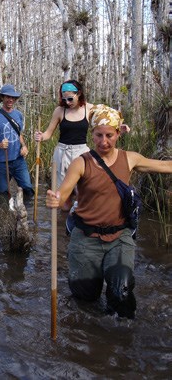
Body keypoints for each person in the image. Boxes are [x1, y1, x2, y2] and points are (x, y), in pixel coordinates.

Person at [45, 104, 172, 319]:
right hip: (86, 236)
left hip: (119, 236)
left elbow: (165, 166)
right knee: (85, 298)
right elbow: (63, 193)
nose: (104, 142)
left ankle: (122, 336)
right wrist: (55, 200)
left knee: (120, 291)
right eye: (99, 135)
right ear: (92, 135)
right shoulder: (81, 162)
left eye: (109, 135)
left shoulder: (130, 158)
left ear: (118, 133)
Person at [35, 80, 129, 211]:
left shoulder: (89, 108)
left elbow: (108, 116)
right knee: (63, 197)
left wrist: (118, 126)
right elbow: (48, 133)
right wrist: (41, 136)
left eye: (70, 98)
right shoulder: (59, 111)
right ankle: (64, 226)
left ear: (78, 94)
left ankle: (82, 222)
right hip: (62, 153)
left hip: (82, 153)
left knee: (83, 193)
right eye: (64, 99)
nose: (67, 102)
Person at [0, 84, 34, 198]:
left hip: (19, 160)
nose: (10, 100)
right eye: (7, 97)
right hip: (1, 161)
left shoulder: (19, 115)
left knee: (28, 190)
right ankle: (4, 214)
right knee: (3, 194)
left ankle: (24, 214)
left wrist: (24, 146)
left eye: (13, 97)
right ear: (2, 98)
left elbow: (18, 134)